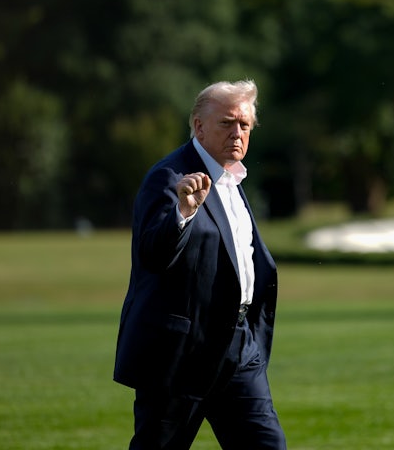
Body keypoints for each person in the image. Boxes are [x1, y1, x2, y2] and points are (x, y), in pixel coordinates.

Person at [113, 80, 286, 449]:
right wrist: (183, 212)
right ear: (198, 126)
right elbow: (153, 256)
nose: (237, 132)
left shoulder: (232, 179)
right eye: (226, 123)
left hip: (239, 349)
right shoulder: (169, 177)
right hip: (181, 355)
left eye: (244, 125)